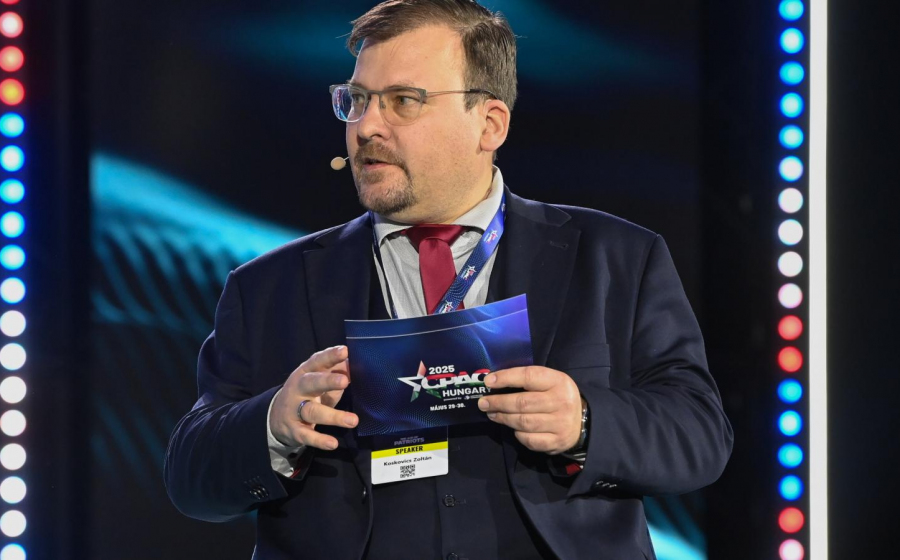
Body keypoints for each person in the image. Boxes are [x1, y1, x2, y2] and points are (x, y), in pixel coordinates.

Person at [164, 1, 733, 558]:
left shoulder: (615, 257)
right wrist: (274, 424)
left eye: (403, 101)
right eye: (357, 100)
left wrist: (585, 421)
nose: (366, 127)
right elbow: (191, 478)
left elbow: (701, 436)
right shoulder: (268, 287)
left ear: (489, 124)